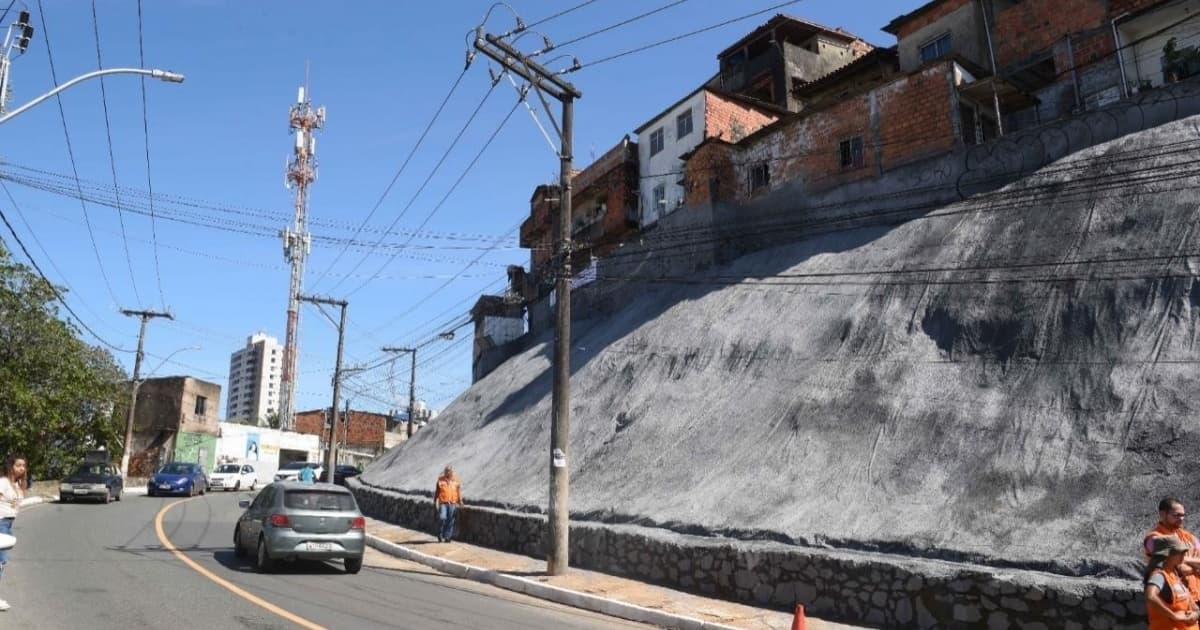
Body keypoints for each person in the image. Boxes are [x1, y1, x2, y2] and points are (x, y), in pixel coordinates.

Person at [1146, 498, 1200, 601]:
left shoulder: (1189, 537)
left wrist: (1182, 560)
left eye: (1183, 515)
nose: (1181, 518)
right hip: (1174, 598)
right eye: (1176, 515)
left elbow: (1176, 563)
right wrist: (1195, 567)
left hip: (1196, 596)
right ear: (1162, 514)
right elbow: (1177, 567)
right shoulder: (1154, 538)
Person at [1146, 535, 1200, 629]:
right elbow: (1150, 596)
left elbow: (1191, 603)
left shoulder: (1174, 574)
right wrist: (1173, 616)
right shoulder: (1159, 575)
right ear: (1167, 555)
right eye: (1180, 552)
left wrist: (1196, 613)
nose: (1184, 554)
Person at [0, 454, 27, 612]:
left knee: (2, 562)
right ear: (11, 466)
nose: (21, 468)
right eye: (18, 465)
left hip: (8, 524)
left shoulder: (17, 484)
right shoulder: (3, 482)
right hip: (1, 522)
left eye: (23, 466)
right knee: (1, 561)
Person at [434, 466, 462, 542]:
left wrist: (460, 501)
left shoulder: (456, 480)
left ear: (452, 472)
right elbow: (437, 492)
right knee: (442, 517)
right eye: (446, 471)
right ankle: (439, 534)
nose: (448, 472)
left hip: (452, 503)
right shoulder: (440, 480)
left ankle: (447, 537)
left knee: (450, 520)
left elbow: (458, 491)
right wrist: (435, 502)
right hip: (443, 503)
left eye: (449, 471)